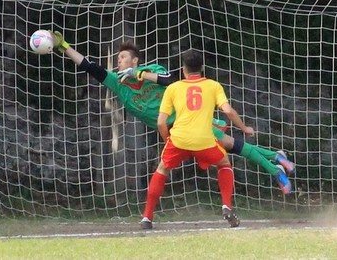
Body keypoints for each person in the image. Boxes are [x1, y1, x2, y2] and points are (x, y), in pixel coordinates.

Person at [52, 32, 294, 194]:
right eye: (117, 59)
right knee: (231, 146)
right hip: (175, 133)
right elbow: (89, 66)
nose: (119, 62)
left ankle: (275, 170)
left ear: (135, 61)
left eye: (123, 58)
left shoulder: (151, 70)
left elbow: (172, 80)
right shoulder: (117, 83)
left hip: (188, 121)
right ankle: (276, 157)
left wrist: (141, 75)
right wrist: (64, 47)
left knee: (228, 145)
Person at [142, 49, 254, 229]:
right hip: (204, 140)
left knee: (162, 169)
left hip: (179, 140)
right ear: (201, 68)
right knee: (224, 163)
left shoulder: (173, 88)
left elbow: (161, 122)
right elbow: (228, 111)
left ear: (183, 69)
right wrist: (244, 128)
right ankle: (226, 205)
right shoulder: (213, 85)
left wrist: (167, 141)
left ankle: (147, 218)